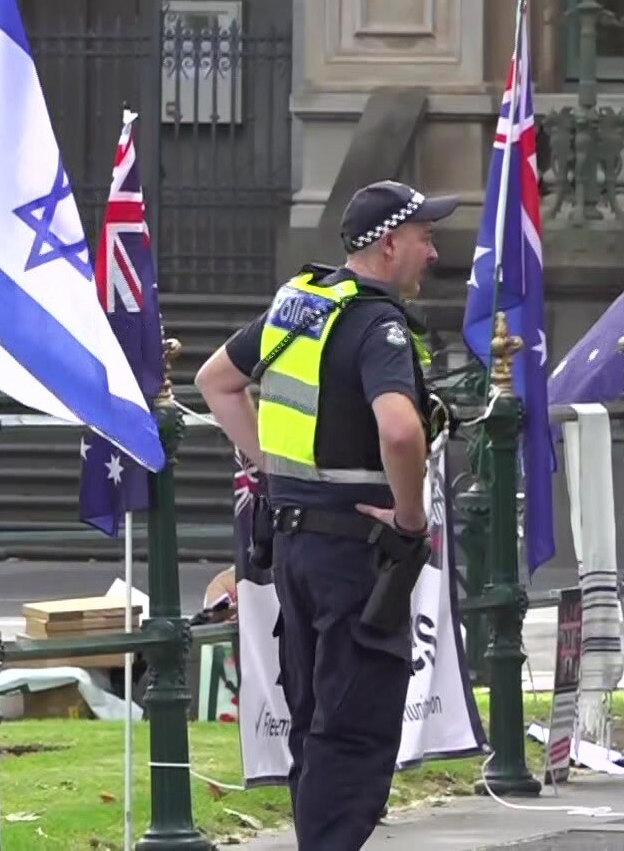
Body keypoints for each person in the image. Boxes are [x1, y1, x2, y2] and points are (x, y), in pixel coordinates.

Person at [195, 179, 453, 850]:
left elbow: (216, 380)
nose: (432, 252)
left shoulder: (301, 305)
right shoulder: (377, 322)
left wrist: (275, 471)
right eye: (425, 237)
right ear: (390, 243)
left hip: (296, 548)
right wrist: (409, 517)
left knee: (316, 721)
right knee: (355, 727)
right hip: (354, 554)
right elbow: (400, 432)